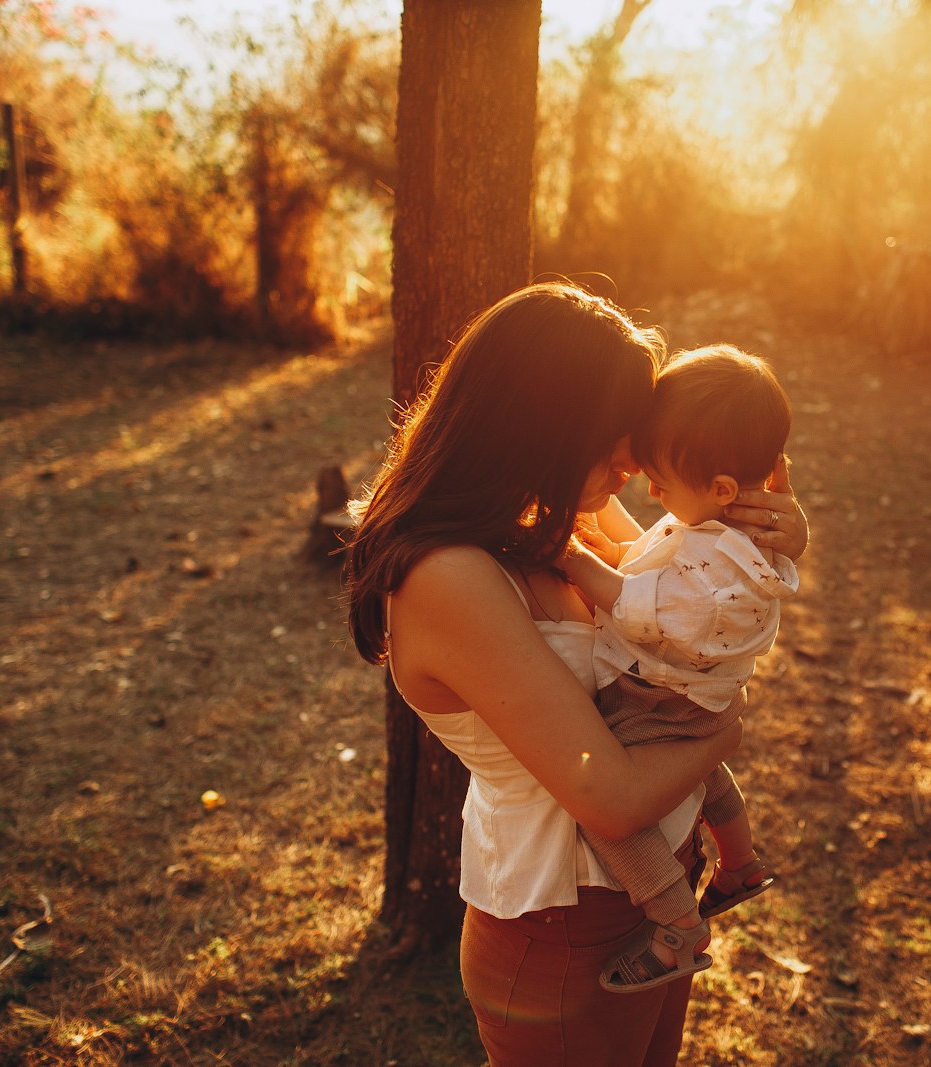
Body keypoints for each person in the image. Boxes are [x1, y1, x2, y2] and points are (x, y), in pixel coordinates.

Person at [344, 282, 808, 1066]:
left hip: (656, 896)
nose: (632, 461)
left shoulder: (562, 511)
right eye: (613, 437)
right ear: (542, 425)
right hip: (561, 925)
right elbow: (609, 795)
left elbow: (685, 588)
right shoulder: (447, 576)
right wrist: (726, 725)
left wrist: (776, 535)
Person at [558, 345, 796, 993]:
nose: (650, 488)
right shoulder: (723, 531)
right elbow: (652, 563)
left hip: (657, 698)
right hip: (698, 699)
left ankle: (675, 924)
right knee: (704, 767)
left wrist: (577, 561)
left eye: (661, 479)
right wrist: (611, 551)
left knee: (607, 812)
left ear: (721, 488)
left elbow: (646, 610)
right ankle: (741, 863)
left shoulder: (721, 566)